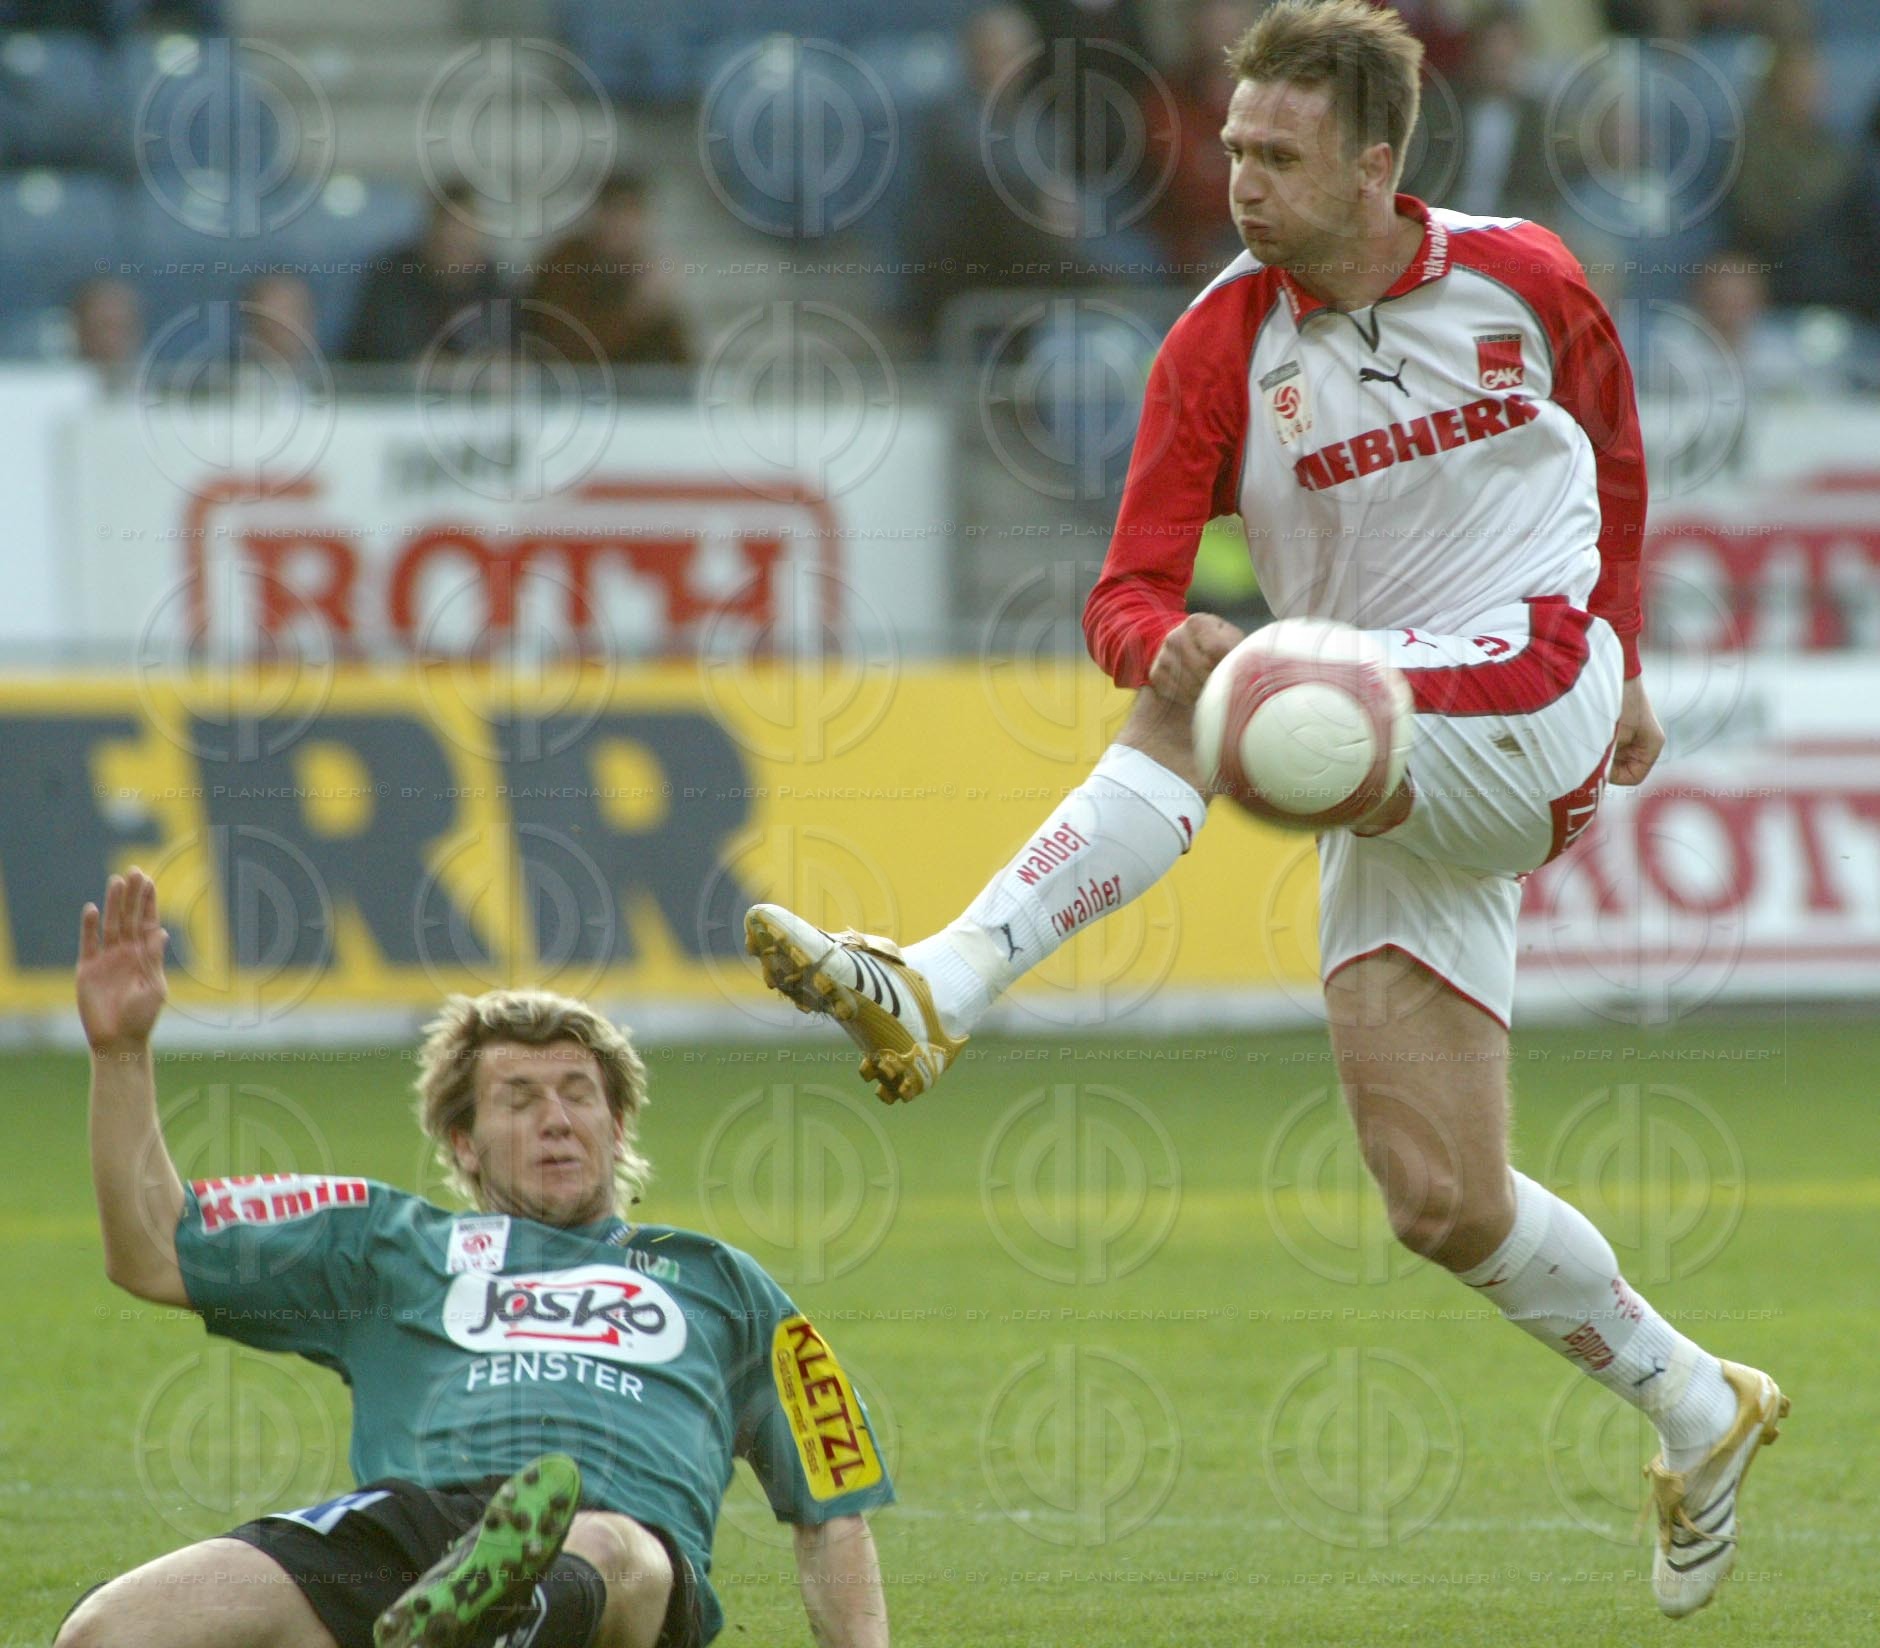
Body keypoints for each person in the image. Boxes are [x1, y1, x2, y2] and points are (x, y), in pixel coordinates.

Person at [746, 0, 1785, 1621]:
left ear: (1379, 163)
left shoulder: (1530, 278)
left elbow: (1617, 457)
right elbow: (1123, 596)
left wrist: (1631, 654)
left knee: (1276, 697)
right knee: (1442, 1196)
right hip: (1384, 756)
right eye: (1233, 147)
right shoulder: (1221, 345)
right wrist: (1175, 641)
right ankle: (1697, 1402)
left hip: (1539, 696)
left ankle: (944, 974)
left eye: (1280, 155)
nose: (1241, 180)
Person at [61, 868, 893, 1648]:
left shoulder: (725, 1282)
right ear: (463, 1143)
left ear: (617, 1126)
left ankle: (511, 1616)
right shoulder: (391, 1244)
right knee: (110, 1628)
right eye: (519, 1099)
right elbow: (152, 1251)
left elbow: (834, 1510)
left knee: (611, 1547)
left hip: (619, 1548)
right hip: (408, 1534)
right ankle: (474, 1617)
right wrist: (121, 1053)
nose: (557, 1118)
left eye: (578, 1093)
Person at [525, 168, 691, 367]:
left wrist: (662, 306)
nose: (624, 226)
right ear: (598, 215)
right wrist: (638, 309)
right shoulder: (563, 265)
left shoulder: (636, 268)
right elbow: (570, 349)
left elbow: (677, 360)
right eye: (617, 213)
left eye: (634, 215)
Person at [341, 182, 507, 365]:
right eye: (448, 242)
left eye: (464, 240)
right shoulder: (394, 277)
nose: (455, 251)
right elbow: (387, 349)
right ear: (432, 233)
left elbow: (506, 347)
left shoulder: (492, 283)